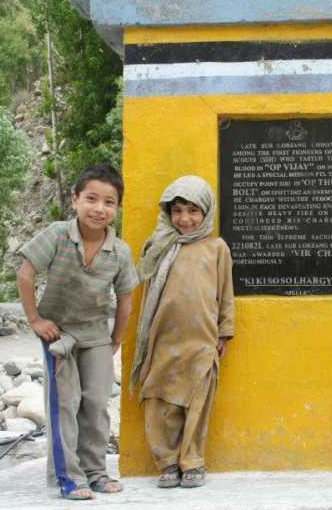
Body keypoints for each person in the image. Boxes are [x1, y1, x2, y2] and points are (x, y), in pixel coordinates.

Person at [17, 163, 138, 500]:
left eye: (109, 202)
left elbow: (125, 300)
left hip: (97, 334)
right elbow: (26, 273)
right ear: (75, 200)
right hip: (59, 335)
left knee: (97, 403)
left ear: (117, 208)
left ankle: (96, 472)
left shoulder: (120, 252)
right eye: (91, 199)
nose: (99, 208)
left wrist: (116, 339)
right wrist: (35, 320)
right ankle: (68, 478)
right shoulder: (57, 235)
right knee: (64, 403)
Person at [130, 175, 234, 489]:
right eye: (177, 211)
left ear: (206, 212)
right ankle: (167, 461)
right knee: (161, 401)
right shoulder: (159, 246)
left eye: (193, 211)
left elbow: (225, 293)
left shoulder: (217, 248)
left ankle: (192, 461)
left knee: (198, 402)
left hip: (202, 342)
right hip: (163, 339)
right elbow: (148, 293)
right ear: (168, 213)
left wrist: (224, 333)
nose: (185, 219)